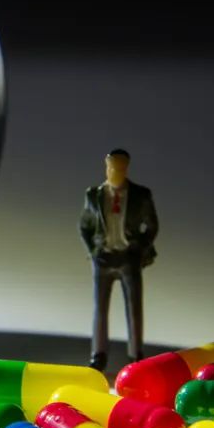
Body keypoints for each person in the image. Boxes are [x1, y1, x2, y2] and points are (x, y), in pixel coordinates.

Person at [79, 149, 158, 370]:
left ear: (126, 168)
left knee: (134, 308)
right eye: (112, 168)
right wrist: (93, 251)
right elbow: (84, 225)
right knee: (100, 308)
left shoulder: (140, 195)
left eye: (120, 168)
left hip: (128, 258)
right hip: (103, 258)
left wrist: (139, 249)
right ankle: (98, 354)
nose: (115, 172)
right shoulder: (93, 195)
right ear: (106, 167)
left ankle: (136, 355)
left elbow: (152, 225)